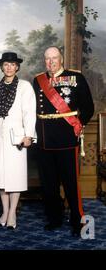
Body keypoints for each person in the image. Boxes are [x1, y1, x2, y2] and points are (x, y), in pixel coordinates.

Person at [33, 46, 94, 237]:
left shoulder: (76, 78)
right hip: (44, 139)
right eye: (47, 59)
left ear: (61, 59)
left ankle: (77, 221)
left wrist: (79, 124)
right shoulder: (38, 80)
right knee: (48, 184)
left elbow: (88, 107)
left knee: (70, 184)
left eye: (54, 58)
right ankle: (54, 218)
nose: (51, 62)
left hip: (67, 138)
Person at [0, 52, 36, 229]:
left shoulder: (25, 86)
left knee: (15, 176)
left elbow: (29, 113)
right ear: (2, 67)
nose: (9, 67)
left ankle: (13, 212)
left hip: (17, 137)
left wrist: (28, 135)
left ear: (17, 67)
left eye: (12, 64)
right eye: (6, 64)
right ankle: (4, 211)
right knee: (0, 176)